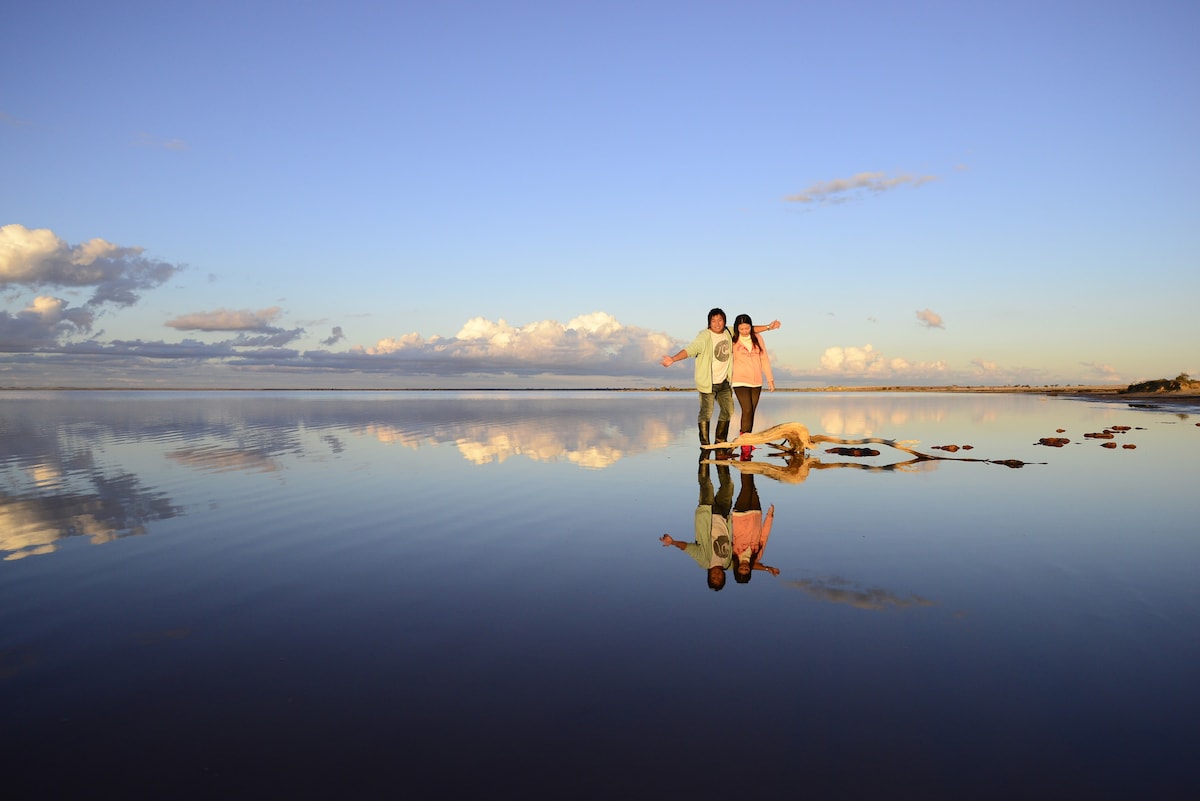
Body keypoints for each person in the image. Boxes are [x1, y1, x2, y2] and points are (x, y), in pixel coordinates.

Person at [661, 308, 779, 451]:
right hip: (709, 382)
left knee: (729, 410)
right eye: (713, 320)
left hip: (724, 381)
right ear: (709, 322)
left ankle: (721, 442)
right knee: (707, 411)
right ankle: (706, 445)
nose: (717, 324)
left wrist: (768, 327)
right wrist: (673, 359)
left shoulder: (729, 332)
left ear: (725, 321)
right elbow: (690, 350)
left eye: (720, 320)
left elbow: (748, 328)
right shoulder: (705, 337)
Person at [660, 461, 734, 591]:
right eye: (719, 578)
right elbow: (748, 566)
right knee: (728, 486)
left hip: (707, 514)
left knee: (707, 486)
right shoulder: (728, 564)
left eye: (713, 578)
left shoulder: (704, 561)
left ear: (709, 575)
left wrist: (673, 542)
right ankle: (720, 453)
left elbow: (688, 548)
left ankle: (705, 452)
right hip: (723, 514)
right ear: (724, 577)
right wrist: (767, 569)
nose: (717, 575)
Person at [730, 313, 775, 460]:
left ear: (751, 326)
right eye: (741, 328)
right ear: (737, 328)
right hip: (739, 380)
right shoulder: (733, 340)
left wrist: (770, 379)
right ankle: (745, 444)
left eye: (747, 328)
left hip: (756, 381)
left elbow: (764, 358)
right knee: (747, 409)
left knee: (752, 412)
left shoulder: (757, 338)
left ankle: (747, 441)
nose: (744, 331)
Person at [731, 473, 778, 583]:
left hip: (740, 515)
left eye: (741, 569)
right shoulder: (757, 556)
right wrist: (770, 516)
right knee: (752, 487)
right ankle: (748, 460)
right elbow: (764, 536)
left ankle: (745, 459)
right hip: (756, 514)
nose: (744, 566)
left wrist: (765, 568)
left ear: (736, 568)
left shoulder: (733, 555)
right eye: (746, 569)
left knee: (746, 488)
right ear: (749, 570)